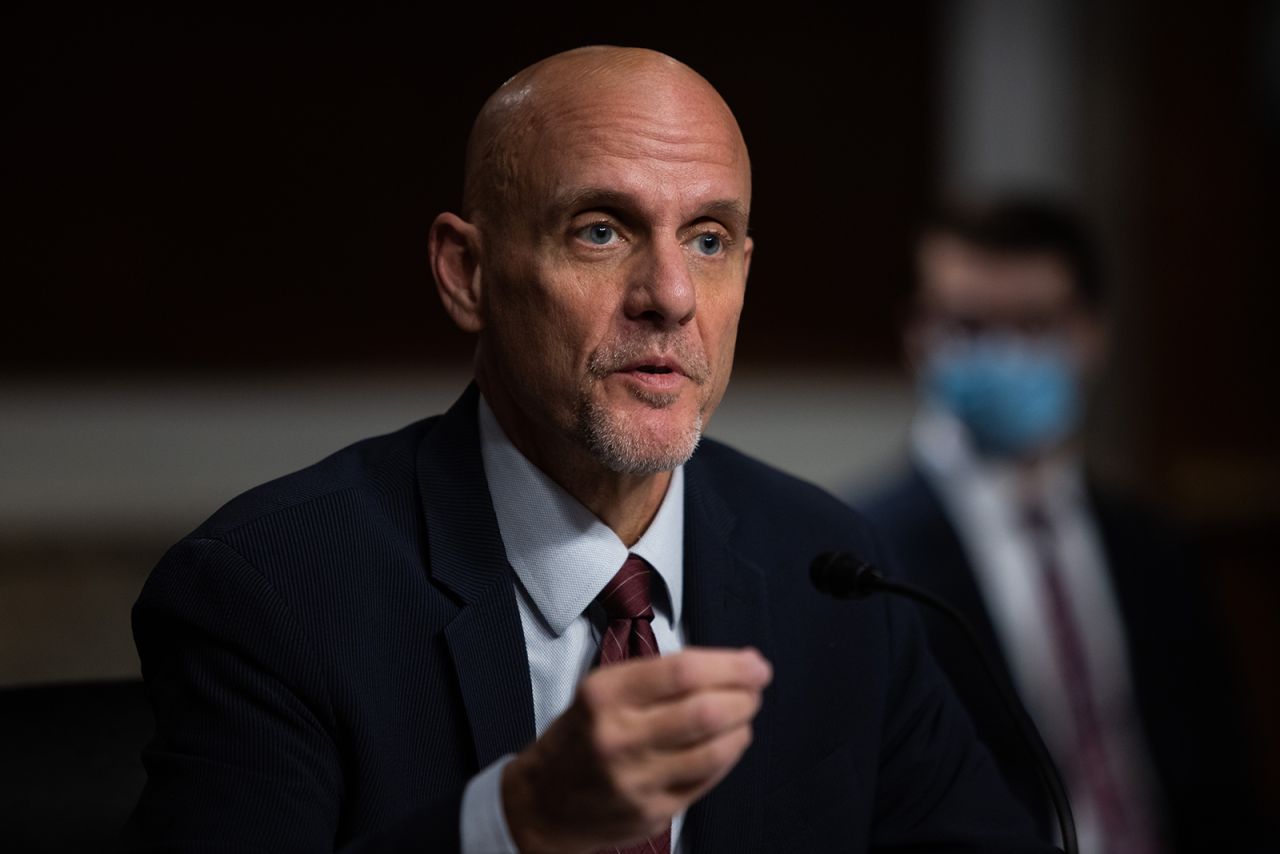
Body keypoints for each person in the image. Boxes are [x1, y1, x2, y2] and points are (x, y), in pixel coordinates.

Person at [122, 48, 1054, 852]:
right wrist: (515, 822)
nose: (670, 295)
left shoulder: (830, 571)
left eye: (709, 239)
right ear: (468, 275)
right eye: (601, 231)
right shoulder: (270, 587)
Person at [853, 199, 1265, 854]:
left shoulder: (1154, 544)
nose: (1004, 353)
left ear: (1093, 333)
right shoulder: (862, 558)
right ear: (916, 333)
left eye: (1036, 325)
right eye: (969, 326)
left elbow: (1221, 780)